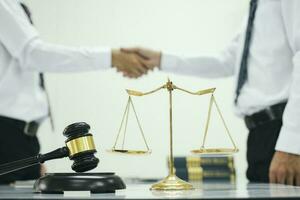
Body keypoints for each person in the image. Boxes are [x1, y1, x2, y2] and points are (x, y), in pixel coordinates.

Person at [122, 0, 300, 185]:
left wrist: (291, 145)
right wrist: (160, 60)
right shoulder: (257, 7)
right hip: (260, 134)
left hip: (283, 132)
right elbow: (226, 60)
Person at [0, 0, 144, 184]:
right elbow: (33, 54)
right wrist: (111, 57)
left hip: (23, 140)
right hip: (6, 138)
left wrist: (31, 155)